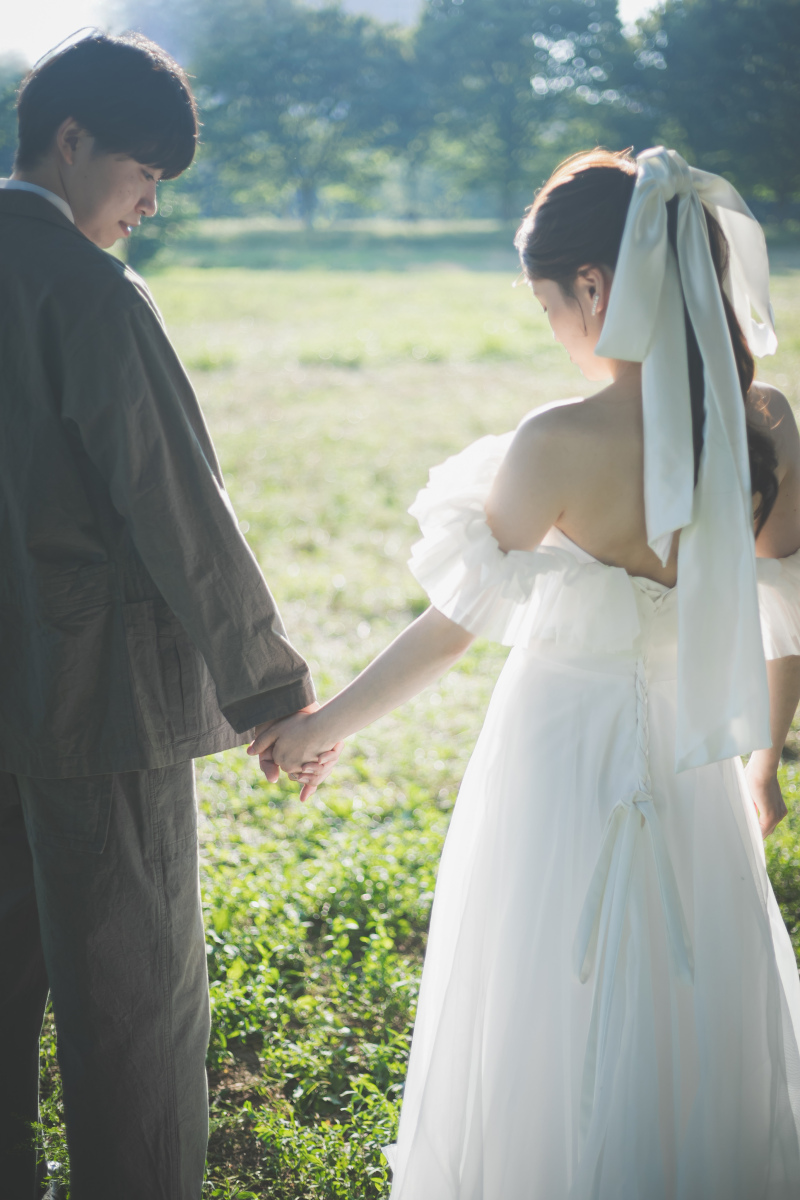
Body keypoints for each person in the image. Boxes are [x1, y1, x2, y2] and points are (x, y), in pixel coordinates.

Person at [251, 147, 800, 1197]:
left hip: (556, 763)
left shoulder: (556, 439)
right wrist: (762, 763)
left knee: (546, 986)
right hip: (694, 767)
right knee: (689, 990)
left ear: (592, 288)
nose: (548, 322)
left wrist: (320, 727)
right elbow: (784, 614)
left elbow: (451, 626)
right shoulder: (762, 425)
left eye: (546, 299)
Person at [0, 32, 334, 1200]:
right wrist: (270, 689)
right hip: (99, 713)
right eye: (143, 171)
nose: (149, 202)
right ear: (72, 139)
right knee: (132, 1013)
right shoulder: (89, 293)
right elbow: (178, 507)